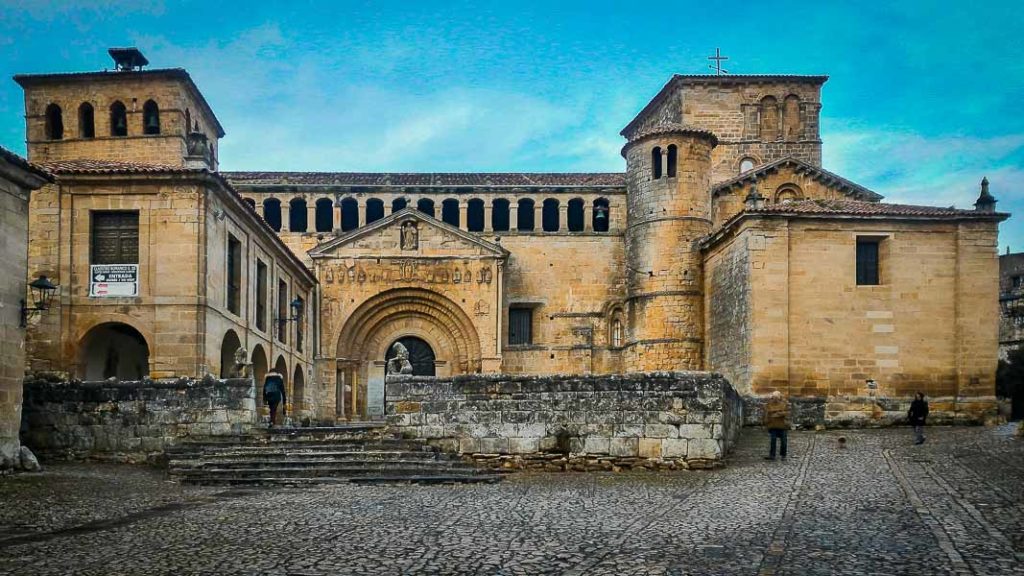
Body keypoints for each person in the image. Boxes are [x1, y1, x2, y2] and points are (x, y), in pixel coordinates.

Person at [763, 391, 790, 460]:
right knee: (773, 440)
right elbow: (767, 412)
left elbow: (787, 412)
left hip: (782, 425)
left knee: (784, 441)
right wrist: (766, 422)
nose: (775, 399)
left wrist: (779, 414)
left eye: (776, 397)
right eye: (774, 397)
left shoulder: (784, 404)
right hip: (773, 425)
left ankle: (783, 455)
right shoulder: (768, 404)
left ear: (779, 397)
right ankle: (772, 455)